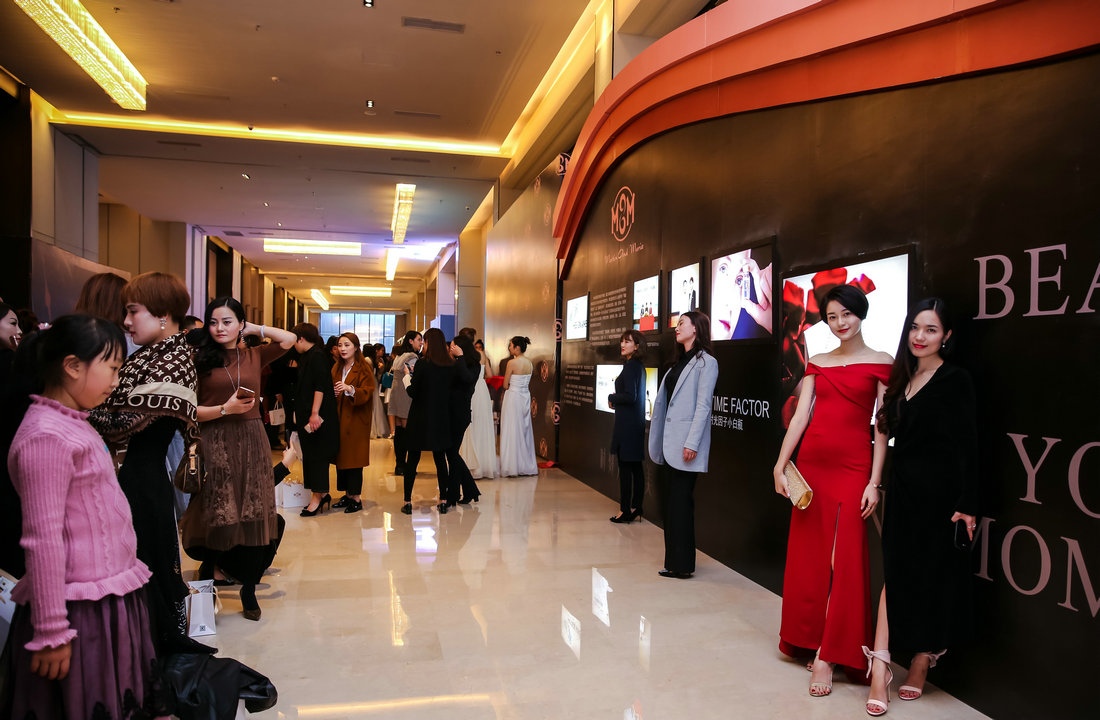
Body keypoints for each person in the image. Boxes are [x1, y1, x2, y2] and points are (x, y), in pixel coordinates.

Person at [2, 315, 162, 717]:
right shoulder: (46, 435)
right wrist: (52, 632)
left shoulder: (74, 422)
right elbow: (43, 539)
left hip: (103, 595)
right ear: (73, 366)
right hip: (75, 610)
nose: (116, 381)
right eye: (112, 369)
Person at [771, 285, 892, 697]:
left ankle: (830, 654)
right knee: (811, 557)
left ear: (861, 313)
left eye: (847, 314)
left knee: (845, 560)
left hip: (854, 467)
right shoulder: (818, 362)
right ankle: (811, 638)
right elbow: (801, 417)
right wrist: (781, 464)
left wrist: (874, 481)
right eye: (832, 317)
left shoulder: (882, 362)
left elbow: (882, 427)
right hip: (812, 466)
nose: (840, 323)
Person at [863, 298, 978, 717]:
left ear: (946, 336)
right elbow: (883, 431)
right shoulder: (902, 379)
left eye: (931, 329)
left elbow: (969, 444)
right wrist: (875, 483)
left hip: (941, 497)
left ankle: (921, 660)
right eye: (915, 327)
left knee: (932, 577)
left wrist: (968, 503)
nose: (920, 336)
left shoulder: (956, 379)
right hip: (902, 492)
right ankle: (879, 669)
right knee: (894, 576)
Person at [87, 271, 206, 655]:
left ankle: (152, 657)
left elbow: (123, 423)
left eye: (133, 311)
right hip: (132, 479)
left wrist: (73, 405)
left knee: (148, 567)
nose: (126, 321)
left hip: (140, 483)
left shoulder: (172, 360)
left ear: (163, 314)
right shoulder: (151, 355)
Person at [180, 297, 295, 621]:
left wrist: (254, 328)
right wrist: (224, 409)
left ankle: (248, 588)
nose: (219, 328)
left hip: (252, 439)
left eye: (227, 321)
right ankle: (211, 570)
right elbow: (187, 410)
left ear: (240, 324)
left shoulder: (254, 355)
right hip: (215, 439)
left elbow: (289, 339)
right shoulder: (198, 359)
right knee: (221, 512)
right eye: (213, 322)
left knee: (255, 514)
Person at [648, 311, 719, 579]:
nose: (676, 328)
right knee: (671, 506)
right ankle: (674, 562)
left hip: (686, 446)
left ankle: (683, 565)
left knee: (681, 505)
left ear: (696, 329)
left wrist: (692, 443)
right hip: (669, 445)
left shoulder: (707, 363)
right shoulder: (678, 363)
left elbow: (703, 407)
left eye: (681, 323)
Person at [401, 328, 472, 514]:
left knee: (413, 460)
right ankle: (443, 501)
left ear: (428, 343)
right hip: (441, 418)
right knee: (440, 461)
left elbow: (413, 392)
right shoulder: (451, 365)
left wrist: (407, 378)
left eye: (424, 342)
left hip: (419, 417)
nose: (423, 345)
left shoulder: (423, 364)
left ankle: (407, 502)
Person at [291, 323, 340, 516]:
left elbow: (320, 387)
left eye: (294, 340)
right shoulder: (307, 356)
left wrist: (314, 413)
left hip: (317, 416)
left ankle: (318, 496)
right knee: (310, 454)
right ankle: (321, 494)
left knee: (317, 455)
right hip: (307, 414)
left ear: (301, 339)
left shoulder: (317, 356)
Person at [331, 332, 376, 513]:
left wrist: (350, 389)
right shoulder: (337, 367)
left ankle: (356, 498)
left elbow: (368, 391)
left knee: (354, 460)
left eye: (347, 345)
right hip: (340, 418)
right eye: (340, 345)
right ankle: (347, 494)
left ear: (356, 347)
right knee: (342, 457)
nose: (343, 349)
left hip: (356, 420)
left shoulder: (363, 368)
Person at [608, 330, 647, 523]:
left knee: (626, 469)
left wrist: (612, 397)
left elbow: (631, 396)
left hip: (627, 425)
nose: (623, 345)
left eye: (628, 341)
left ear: (637, 346)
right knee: (635, 467)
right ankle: (636, 507)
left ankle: (625, 510)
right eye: (622, 341)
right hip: (634, 424)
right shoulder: (637, 366)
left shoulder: (632, 367)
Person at [448, 334, 483, 503]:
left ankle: (458, 493)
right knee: (452, 453)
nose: (450, 349)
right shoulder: (456, 363)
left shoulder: (473, 365)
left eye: (453, 346)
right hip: (451, 412)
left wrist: (460, 357)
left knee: (451, 453)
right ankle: (467, 491)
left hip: (460, 414)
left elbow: (467, 379)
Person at [460, 338, 498, 482]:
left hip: (472, 388)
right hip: (482, 390)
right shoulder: (483, 355)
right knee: (483, 425)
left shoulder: (468, 355)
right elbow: (490, 375)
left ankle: (471, 464)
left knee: (472, 424)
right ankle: (485, 465)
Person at [498, 336, 538, 477]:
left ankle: (512, 466)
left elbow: (505, 385)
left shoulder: (512, 362)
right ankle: (525, 464)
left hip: (513, 397)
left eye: (511, 345)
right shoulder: (529, 363)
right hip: (525, 396)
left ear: (517, 348)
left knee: (512, 429)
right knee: (524, 429)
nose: (509, 348)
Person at [389, 330, 424, 476]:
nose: (421, 343)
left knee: (399, 430)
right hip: (405, 393)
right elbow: (413, 377)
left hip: (396, 393)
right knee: (408, 430)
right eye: (419, 339)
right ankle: (408, 466)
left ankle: (399, 464)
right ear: (410, 341)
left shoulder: (399, 356)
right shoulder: (412, 357)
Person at [370, 343, 390, 438]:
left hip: (378, 382)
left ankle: (379, 429)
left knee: (378, 404)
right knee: (375, 404)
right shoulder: (371, 360)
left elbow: (381, 374)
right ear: (376, 351)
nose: (383, 352)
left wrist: (381, 369)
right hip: (373, 382)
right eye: (381, 350)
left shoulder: (382, 360)